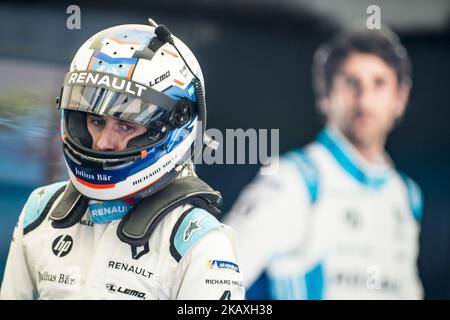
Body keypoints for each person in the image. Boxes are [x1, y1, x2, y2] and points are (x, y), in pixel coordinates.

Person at [0, 21, 244, 300]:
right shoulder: (42, 211)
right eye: (96, 120)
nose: (103, 142)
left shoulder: (199, 241)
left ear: (173, 125)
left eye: (126, 126)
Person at [225, 28, 423, 299]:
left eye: (378, 84)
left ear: (400, 98)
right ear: (326, 96)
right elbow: (212, 279)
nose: (364, 101)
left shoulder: (405, 195)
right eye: (351, 83)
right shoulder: (294, 180)